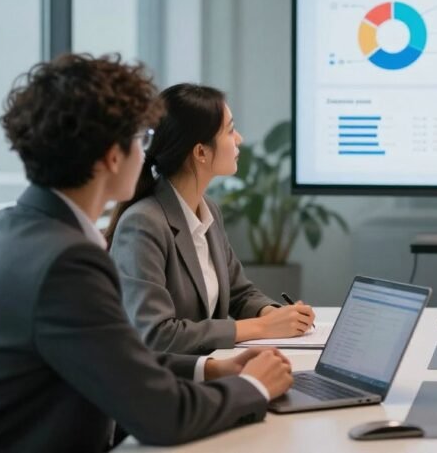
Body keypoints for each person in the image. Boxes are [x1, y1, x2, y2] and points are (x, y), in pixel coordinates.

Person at [0, 54, 294, 452]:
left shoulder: (5, 231)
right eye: (140, 141)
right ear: (112, 156)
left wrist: (210, 368)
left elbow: (115, 360)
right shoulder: (66, 261)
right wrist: (253, 387)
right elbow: (163, 417)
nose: (147, 155)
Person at [107, 84, 314, 355]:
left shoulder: (208, 211)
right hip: (166, 385)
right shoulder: (143, 223)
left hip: (208, 370)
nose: (239, 139)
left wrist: (276, 315)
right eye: (230, 130)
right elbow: (157, 334)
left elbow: (240, 293)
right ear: (201, 153)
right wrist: (262, 328)